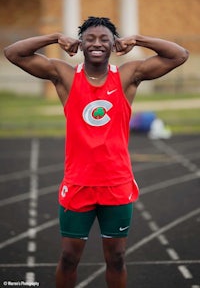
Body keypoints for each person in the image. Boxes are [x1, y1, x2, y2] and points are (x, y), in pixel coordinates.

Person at [4, 16, 189, 288]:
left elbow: (180, 55)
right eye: (90, 39)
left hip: (116, 184)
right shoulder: (65, 75)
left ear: (114, 44)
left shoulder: (127, 75)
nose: (97, 44)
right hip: (78, 184)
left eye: (104, 39)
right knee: (68, 257)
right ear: (80, 44)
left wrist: (137, 39)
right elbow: (13, 53)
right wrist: (54, 37)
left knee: (116, 258)